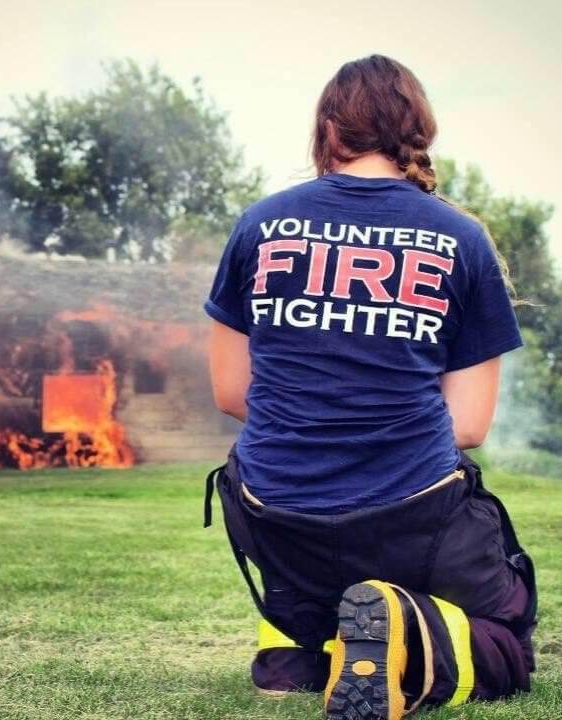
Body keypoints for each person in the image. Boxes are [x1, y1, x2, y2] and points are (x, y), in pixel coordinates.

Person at [201, 54, 537, 720]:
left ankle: (293, 648)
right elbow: (467, 426)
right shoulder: (460, 239)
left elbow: (231, 393)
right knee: (507, 639)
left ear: (327, 130)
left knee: (289, 520)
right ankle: (404, 627)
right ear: (418, 129)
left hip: (275, 513)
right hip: (406, 515)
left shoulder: (259, 224)